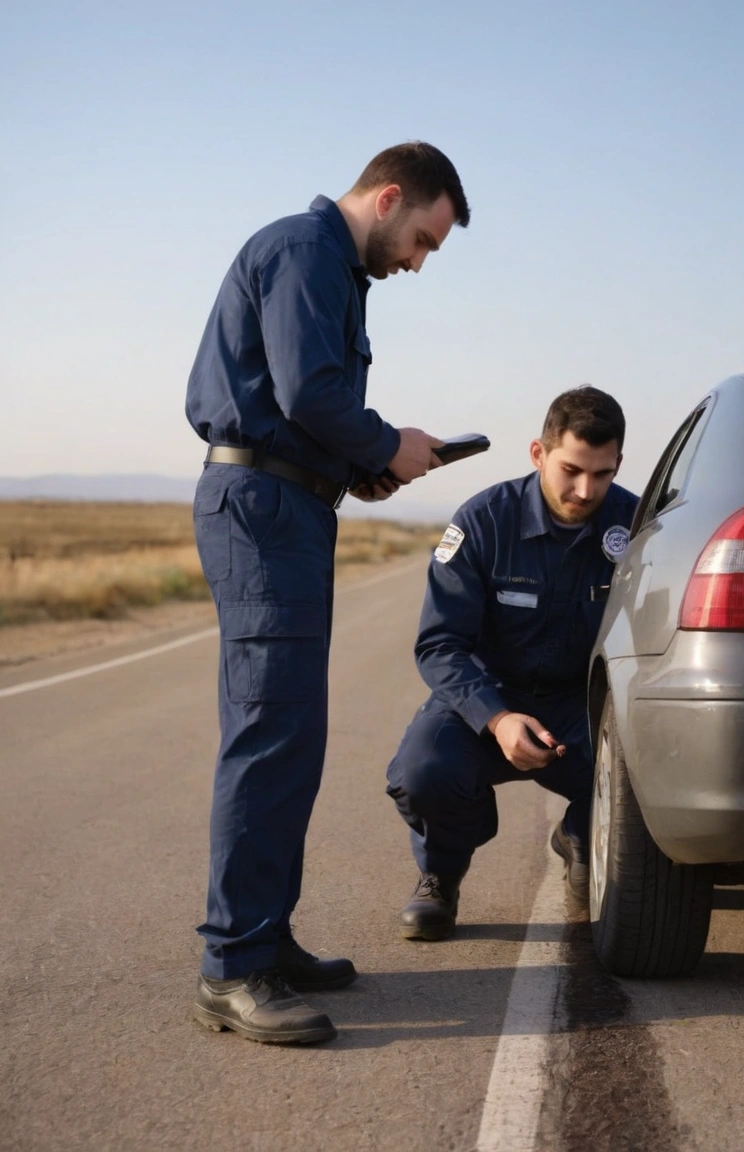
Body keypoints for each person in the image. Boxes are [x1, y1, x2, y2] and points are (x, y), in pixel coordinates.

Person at [185, 142, 470, 1044]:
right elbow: (309, 388)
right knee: (270, 736)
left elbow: (303, 403)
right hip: (262, 507)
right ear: (389, 198)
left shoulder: (334, 270)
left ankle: (264, 940)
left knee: (293, 738)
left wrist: (365, 466)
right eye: (422, 238)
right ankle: (232, 968)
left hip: (293, 503)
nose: (419, 261)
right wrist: (388, 443)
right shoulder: (306, 251)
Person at [385, 386, 638, 940]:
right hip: (488, 696)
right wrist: (496, 718)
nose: (585, 489)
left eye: (602, 474)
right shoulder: (482, 523)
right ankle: (442, 874)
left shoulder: (639, 527)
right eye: (571, 469)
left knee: (653, 767)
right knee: (423, 773)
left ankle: (579, 833)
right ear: (538, 454)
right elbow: (440, 645)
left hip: (583, 709)